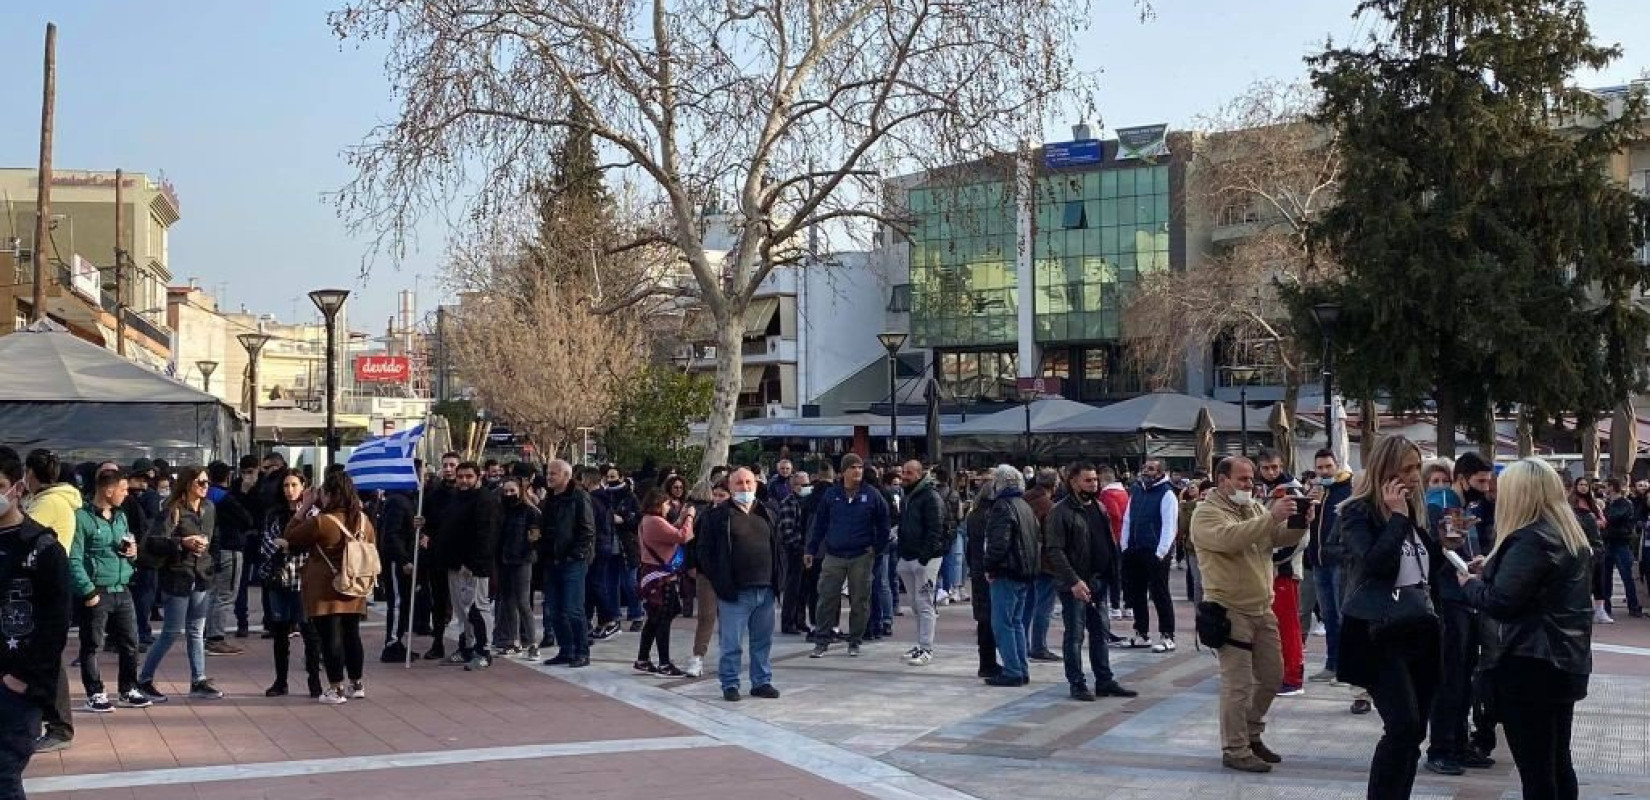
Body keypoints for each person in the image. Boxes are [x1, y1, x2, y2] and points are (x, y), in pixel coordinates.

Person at [1457, 458, 1592, 800]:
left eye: (1503, 490)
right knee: (1558, 761)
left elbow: (1502, 601)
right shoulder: (1565, 532)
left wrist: (1468, 584)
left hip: (1528, 662)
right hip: (1563, 659)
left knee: (1536, 770)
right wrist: (1490, 569)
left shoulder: (1531, 538)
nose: (1496, 496)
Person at [1336, 434, 1448, 800]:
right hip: (1378, 632)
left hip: (1419, 629)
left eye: (1418, 467)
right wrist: (1397, 518)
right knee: (1402, 726)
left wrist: (1451, 551)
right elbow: (1373, 563)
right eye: (1408, 469)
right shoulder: (1358, 512)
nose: (1416, 476)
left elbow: (1424, 570)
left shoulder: (1415, 512)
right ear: (1386, 472)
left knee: (1414, 732)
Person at [1189, 456, 1302, 774]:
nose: (1249, 484)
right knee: (1237, 685)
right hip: (1229, 610)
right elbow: (1231, 539)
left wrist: (1299, 520)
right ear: (1222, 480)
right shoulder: (1205, 513)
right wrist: (1270, 518)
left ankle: (1251, 735)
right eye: (1242, 479)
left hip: (1261, 608)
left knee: (1272, 676)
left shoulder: (1252, 507)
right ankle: (1235, 748)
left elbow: (1275, 539)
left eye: (1251, 479)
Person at [0, 446, 71, 797]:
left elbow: (56, 623)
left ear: (17, 487)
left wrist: (22, 679)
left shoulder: (42, 548)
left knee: (3, 776)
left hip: (15, 686)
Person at [1423, 451, 1498, 775]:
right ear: (1463, 477)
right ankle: (1441, 747)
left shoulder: (1464, 505)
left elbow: (1465, 546)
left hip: (1464, 598)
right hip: (1448, 600)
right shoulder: (1442, 498)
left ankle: (1457, 742)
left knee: (1463, 678)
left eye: (1488, 481)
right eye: (1480, 481)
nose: (1485, 487)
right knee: (1451, 679)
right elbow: (1446, 548)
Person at [281, 470, 378, 704]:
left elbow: (290, 535)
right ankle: (357, 683)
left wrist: (304, 507)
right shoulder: (364, 520)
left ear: (331, 494)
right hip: (355, 582)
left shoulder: (323, 522)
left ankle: (335, 688)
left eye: (322, 493)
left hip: (326, 587)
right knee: (352, 634)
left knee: (330, 637)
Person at [1043, 462, 1136, 701]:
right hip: (1075, 583)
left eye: (1095, 480)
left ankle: (1104, 679)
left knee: (1100, 632)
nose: (1093, 484)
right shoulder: (1060, 511)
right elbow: (1054, 550)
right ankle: (1077, 683)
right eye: (1087, 480)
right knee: (1075, 635)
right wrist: (1073, 581)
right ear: (1073, 482)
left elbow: (1107, 541)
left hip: (1099, 581)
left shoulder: (1099, 507)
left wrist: (1114, 576)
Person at [136, 466, 224, 703]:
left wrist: (211, 561)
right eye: (200, 482)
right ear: (187, 484)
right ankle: (144, 679)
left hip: (201, 575)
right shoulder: (172, 511)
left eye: (207, 482)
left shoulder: (209, 508)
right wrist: (181, 542)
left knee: (196, 631)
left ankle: (198, 680)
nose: (205, 487)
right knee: (171, 631)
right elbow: (154, 543)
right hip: (177, 576)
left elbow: (214, 539)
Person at [696, 468, 783, 701]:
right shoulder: (717, 517)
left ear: (755, 485)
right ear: (730, 487)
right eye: (739, 483)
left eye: (748, 483)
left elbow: (778, 547)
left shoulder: (767, 513)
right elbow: (704, 552)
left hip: (765, 590)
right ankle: (730, 683)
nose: (744, 488)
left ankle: (761, 682)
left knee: (762, 642)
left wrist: (779, 580)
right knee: (731, 643)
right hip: (734, 592)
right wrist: (719, 580)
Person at [68, 469, 150, 713]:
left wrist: (132, 554)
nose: (127, 494)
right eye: (123, 489)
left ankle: (128, 688)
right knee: (91, 643)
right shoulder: (81, 518)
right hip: (97, 589)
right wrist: (88, 591)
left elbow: (127, 542)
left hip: (121, 586)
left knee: (130, 642)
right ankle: (95, 692)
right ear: (108, 490)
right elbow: (74, 558)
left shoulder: (121, 516)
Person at [22, 450, 81, 753]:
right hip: (39, 586)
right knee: (42, 655)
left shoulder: (50, 502)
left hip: (42, 587)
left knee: (49, 657)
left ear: (30, 473)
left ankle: (59, 726)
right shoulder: (51, 499)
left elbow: (21, 534)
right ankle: (45, 722)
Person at [807, 453, 890, 658]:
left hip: (861, 554)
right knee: (826, 597)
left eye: (860, 467)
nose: (858, 471)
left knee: (860, 600)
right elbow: (820, 524)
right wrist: (811, 549)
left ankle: (855, 640)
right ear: (843, 471)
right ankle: (822, 640)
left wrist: (877, 547)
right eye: (853, 467)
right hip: (834, 553)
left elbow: (885, 522)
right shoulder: (831, 495)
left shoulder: (872, 495)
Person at [259, 469, 322, 698]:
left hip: (304, 580)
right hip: (278, 578)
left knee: (309, 632)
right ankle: (281, 681)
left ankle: (314, 680)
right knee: (279, 632)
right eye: (286, 485)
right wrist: (286, 545)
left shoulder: (313, 514)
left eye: (294, 485)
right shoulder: (274, 514)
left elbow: (310, 544)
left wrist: (289, 544)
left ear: (303, 486)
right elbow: (267, 544)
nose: (289, 490)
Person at [432, 462, 498, 670]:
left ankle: (483, 651)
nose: (463, 480)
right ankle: (467, 647)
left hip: (475, 567)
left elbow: (486, 535)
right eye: (460, 476)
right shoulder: (455, 499)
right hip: (454, 564)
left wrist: (473, 563)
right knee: (462, 611)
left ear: (478, 477)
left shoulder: (485, 500)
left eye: (468, 476)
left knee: (478, 608)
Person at [982, 464, 1040, 687]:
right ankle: (1020, 668)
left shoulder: (1002, 506)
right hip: (1024, 571)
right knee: (1016, 622)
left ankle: (1013, 670)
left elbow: (998, 543)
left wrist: (989, 567)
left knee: (1002, 623)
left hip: (1007, 571)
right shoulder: (1024, 506)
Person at [538, 460, 595, 668]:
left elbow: (587, 530)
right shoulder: (550, 499)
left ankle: (581, 651)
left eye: (554, 473)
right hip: (551, 560)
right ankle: (566, 649)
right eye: (548, 473)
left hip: (573, 561)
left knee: (573, 608)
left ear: (566, 476)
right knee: (555, 608)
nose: (549, 477)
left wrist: (575, 554)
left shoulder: (579, 497)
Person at [1120, 459, 1179, 652]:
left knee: (1160, 593)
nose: (1146, 471)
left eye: (1151, 469)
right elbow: (1128, 518)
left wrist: (1161, 552)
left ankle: (1167, 635)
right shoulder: (1136, 490)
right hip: (1135, 548)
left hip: (1155, 551)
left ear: (1161, 472)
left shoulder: (1167, 493)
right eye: (1145, 468)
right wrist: (1125, 545)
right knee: (1137, 593)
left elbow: (1169, 526)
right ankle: (1141, 633)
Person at [894, 460, 949, 666]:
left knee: (925, 603)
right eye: (903, 472)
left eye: (909, 472)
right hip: (908, 555)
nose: (904, 476)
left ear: (919, 474)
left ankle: (926, 648)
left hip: (925, 558)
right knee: (916, 604)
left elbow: (936, 528)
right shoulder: (910, 495)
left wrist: (925, 556)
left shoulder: (930, 496)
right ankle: (920, 644)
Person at [635, 489, 693, 676]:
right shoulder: (654, 521)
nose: (669, 507)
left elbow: (671, 532)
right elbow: (682, 536)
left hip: (653, 574)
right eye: (667, 504)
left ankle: (643, 658)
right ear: (658, 504)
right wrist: (690, 518)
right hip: (659, 577)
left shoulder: (650, 521)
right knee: (662, 618)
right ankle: (664, 663)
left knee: (654, 618)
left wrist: (682, 518)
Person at [202, 462, 253, 656]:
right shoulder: (227, 498)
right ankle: (215, 638)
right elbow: (246, 519)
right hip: (229, 547)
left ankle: (207, 633)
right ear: (228, 476)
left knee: (213, 593)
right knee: (225, 595)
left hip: (211, 548)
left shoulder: (206, 496)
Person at [683, 482, 730, 677]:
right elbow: (692, 543)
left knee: (729, 618)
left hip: (729, 574)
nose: (718, 499)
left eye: (722, 495)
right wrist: (692, 566)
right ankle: (697, 657)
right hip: (706, 573)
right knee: (706, 616)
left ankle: (727, 658)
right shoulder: (706, 516)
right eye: (716, 494)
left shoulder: (736, 517)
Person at [493, 478, 541, 660]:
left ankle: (532, 643)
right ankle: (514, 641)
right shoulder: (501, 511)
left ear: (520, 491)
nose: (508, 495)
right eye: (505, 491)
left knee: (522, 602)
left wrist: (528, 549)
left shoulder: (530, 512)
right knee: (507, 602)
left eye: (512, 491)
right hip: (503, 561)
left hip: (522, 560)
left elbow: (535, 537)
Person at [775, 471, 811, 636]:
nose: (805, 488)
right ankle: (788, 622)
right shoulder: (788, 502)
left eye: (806, 484)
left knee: (804, 588)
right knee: (793, 587)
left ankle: (800, 620)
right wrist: (799, 545)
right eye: (801, 485)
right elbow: (787, 530)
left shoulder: (807, 502)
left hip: (807, 549)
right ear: (793, 485)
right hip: (794, 550)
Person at [1601, 479, 1640, 618]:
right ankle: (1606, 607)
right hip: (1608, 543)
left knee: (1626, 577)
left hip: (1621, 543)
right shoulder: (1608, 504)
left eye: (1605, 487)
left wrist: (1602, 517)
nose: (1603, 490)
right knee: (1605, 577)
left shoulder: (1624, 503)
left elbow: (1611, 518)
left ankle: (1634, 607)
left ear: (1612, 487)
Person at [1098, 466, 1130, 620]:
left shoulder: (1106, 495)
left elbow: (1113, 515)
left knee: (1114, 574)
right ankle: (1128, 605)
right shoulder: (1124, 493)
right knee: (1125, 573)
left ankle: (1115, 606)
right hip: (1125, 537)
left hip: (1114, 538)